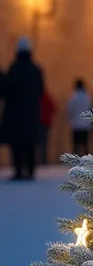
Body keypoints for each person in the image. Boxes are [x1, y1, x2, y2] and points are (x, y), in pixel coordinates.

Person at [1, 37, 44, 180]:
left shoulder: (14, 69)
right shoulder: (36, 70)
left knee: (17, 145)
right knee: (30, 145)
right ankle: (31, 171)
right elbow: (40, 92)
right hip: (31, 113)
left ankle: (19, 171)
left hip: (15, 114)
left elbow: (6, 91)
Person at [67, 79, 92, 156]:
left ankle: (75, 160)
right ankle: (86, 160)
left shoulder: (73, 97)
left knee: (76, 145)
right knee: (85, 144)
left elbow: (70, 110)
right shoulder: (87, 96)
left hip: (76, 124)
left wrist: (70, 119)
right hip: (85, 124)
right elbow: (91, 108)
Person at [38, 87, 57, 164]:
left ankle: (37, 160)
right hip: (46, 123)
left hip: (38, 123)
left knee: (37, 142)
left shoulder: (36, 99)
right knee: (45, 142)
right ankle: (44, 159)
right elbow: (53, 109)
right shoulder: (48, 98)